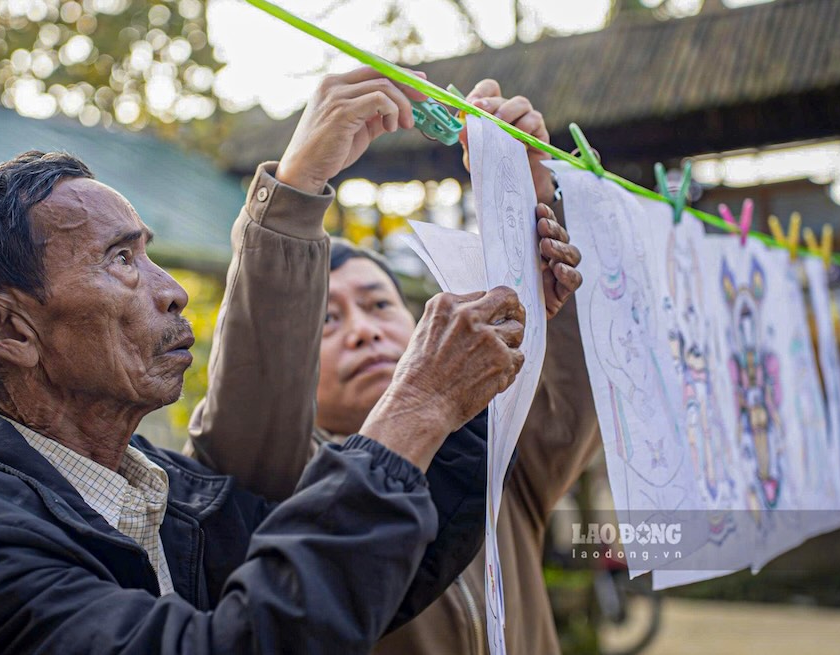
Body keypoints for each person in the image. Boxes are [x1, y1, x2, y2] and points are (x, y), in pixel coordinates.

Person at [0, 68, 528, 654]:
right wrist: (417, 407)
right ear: (4, 324)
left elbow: (373, 575)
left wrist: (481, 355)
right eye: (121, 260)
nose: (174, 291)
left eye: (149, 254)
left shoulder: (164, 488)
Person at [187, 80, 601, 654]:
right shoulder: (276, 494)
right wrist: (294, 192)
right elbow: (249, 408)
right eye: (326, 321)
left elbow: (571, 387)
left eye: (380, 304)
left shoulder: (490, 455)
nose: (363, 329)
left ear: (421, 328)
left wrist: (530, 201)